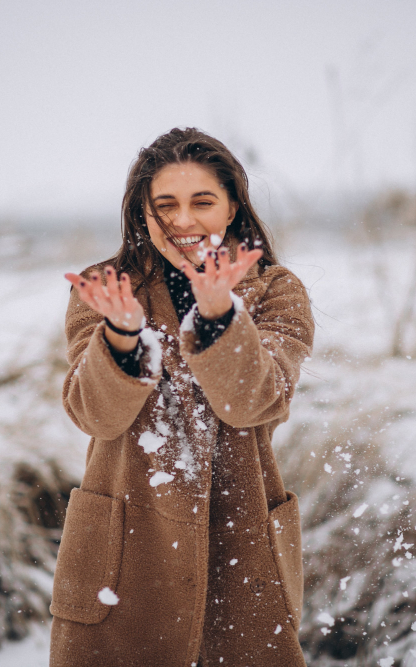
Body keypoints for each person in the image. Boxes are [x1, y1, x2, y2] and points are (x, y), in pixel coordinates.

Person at [51, 127, 314, 666]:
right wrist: (123, 337)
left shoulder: (274, 290)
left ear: (233, 205)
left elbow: (252, 401)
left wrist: (219, 316)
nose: (184, 220)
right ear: (142, 213)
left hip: (243, 558)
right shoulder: (106, 289)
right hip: (121, 567)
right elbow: (94, 414)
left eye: (203, 201)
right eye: (165, 204)